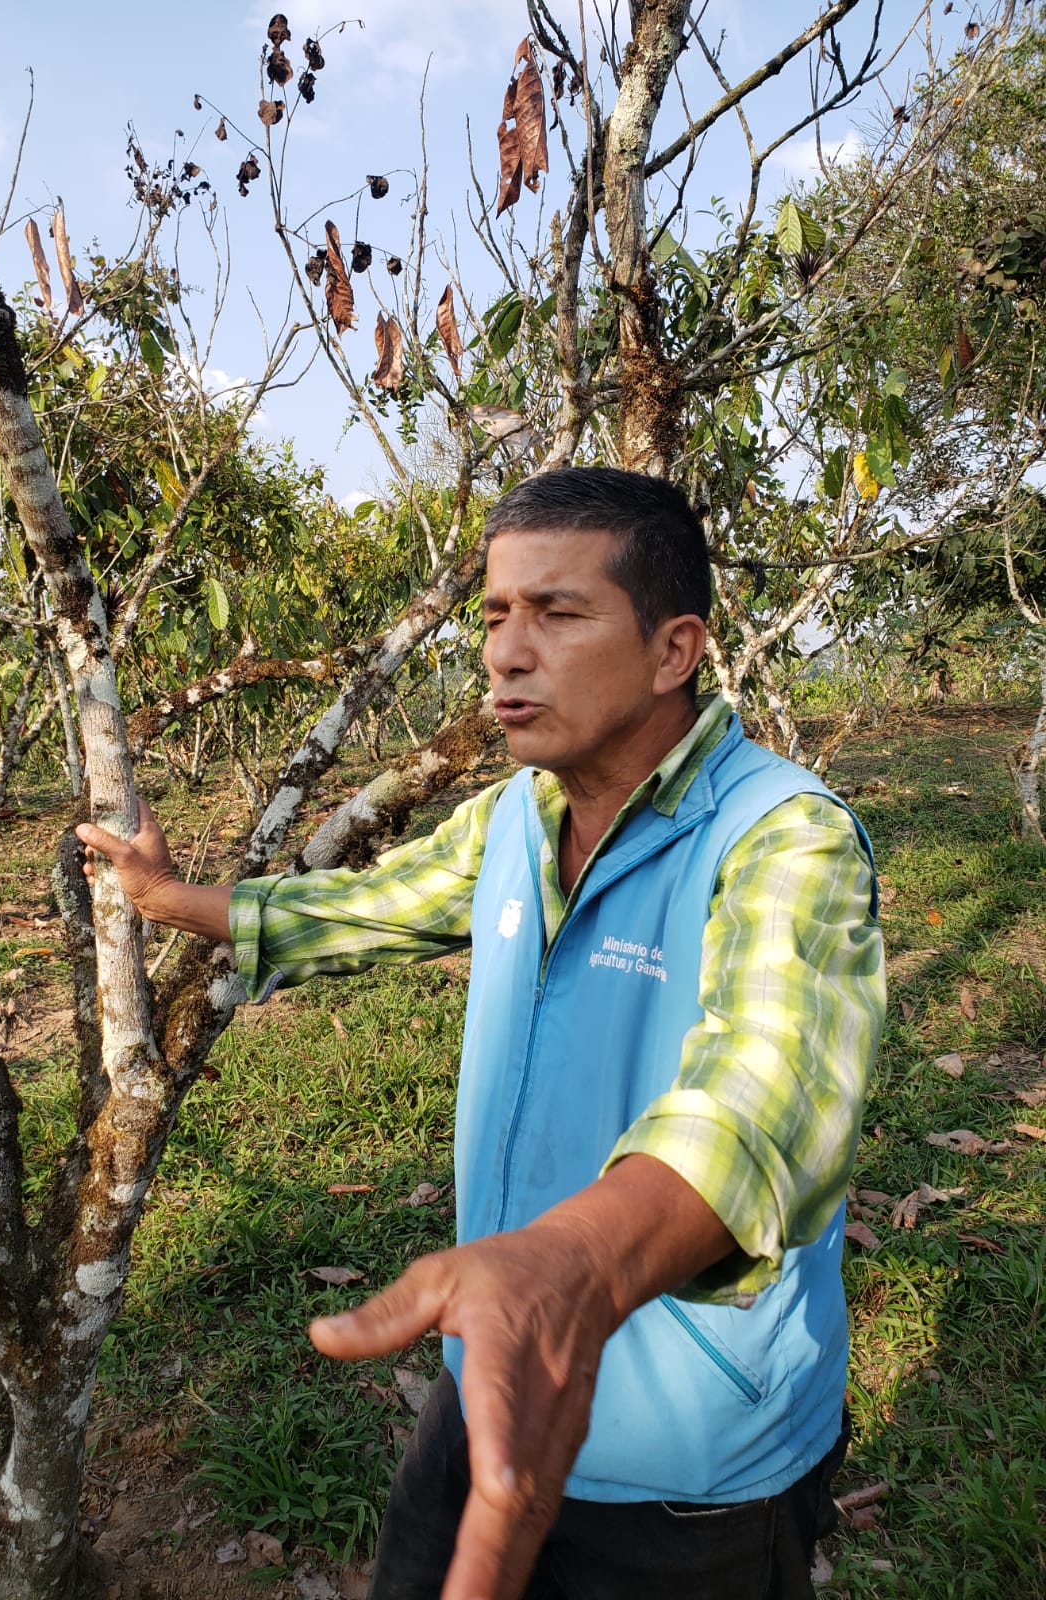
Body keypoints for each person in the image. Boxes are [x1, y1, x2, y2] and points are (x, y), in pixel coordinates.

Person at [78, 468, 885, 1600]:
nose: (506, 654)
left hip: (683, 1461)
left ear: (674, 650)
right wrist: (172, 900)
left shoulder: (783, 839)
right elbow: (370, 904)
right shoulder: (519, 813)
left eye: (557, 613)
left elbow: (767, 1099)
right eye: (497, 615)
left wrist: (568, 1266)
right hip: (489, 1364)